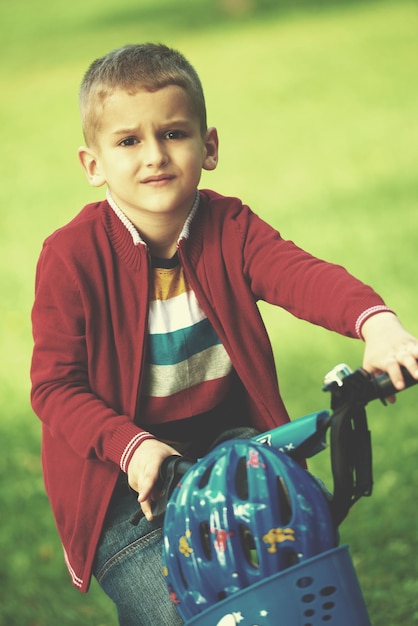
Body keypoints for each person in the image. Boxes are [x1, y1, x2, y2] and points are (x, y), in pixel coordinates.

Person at [30, 43, 418, 626]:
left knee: (300, 588)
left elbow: (302, 275)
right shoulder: (70, 256)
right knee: (183, 612)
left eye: (174, 133)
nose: (155, 155)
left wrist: (377, 323)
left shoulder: (231, 227)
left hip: (232, 449)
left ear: (208, 146)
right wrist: (131, 448)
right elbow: (54, 387)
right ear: (93, 164)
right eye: (129, 141)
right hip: (124, 484)